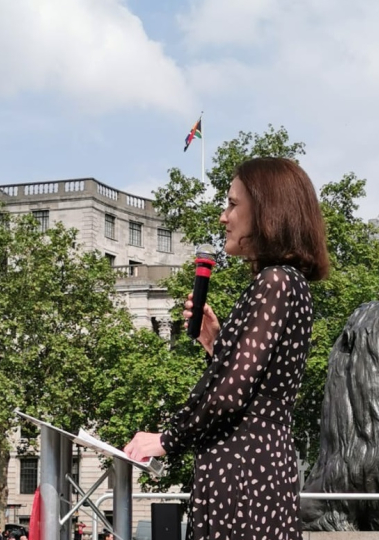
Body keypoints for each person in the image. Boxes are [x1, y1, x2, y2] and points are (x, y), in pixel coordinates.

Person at [123, 157, 329, 540]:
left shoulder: (275, 283)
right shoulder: (287, 284)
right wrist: (217, 343)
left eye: (233, 204)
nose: (224, 217)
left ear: (266, 210)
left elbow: (230, 396)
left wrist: (168, 439)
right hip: (259, 472)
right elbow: (259, 388)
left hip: (243, 476)